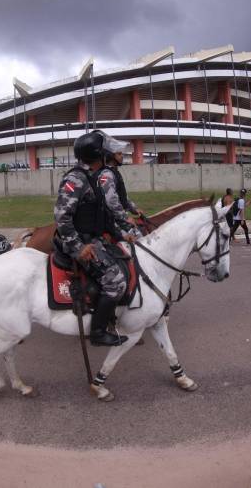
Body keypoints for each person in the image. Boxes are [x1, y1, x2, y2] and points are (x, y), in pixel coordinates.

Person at [53, 131, 138, 347]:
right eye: (106, 150)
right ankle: (98, 332)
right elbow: (62, 217)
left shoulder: (95, 178)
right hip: (77, 242)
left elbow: (103, 216)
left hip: (94, 237)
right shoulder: (76, 179)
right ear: (98, 154)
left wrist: (121, 234)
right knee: (116, 281)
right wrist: (78, 247)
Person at [102, 139, 144, 220]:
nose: (122, 156)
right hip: (112, 220)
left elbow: (122, 196)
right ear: (111, 156)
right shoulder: (107, 174)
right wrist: (125, 218)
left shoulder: (115, 172)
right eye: (119, 154)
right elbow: (111, 200)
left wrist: (134, 209)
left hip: (118, 217)